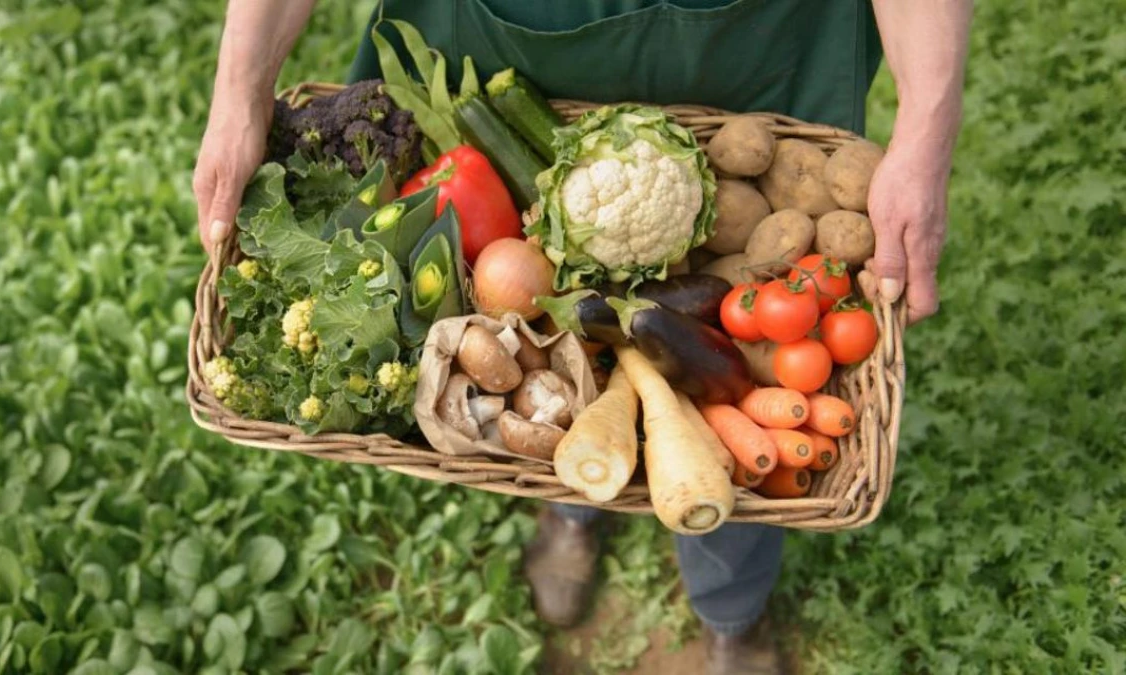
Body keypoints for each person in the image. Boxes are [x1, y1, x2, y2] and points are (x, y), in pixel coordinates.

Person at [194, 1, 972, 671]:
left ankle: (729, 605)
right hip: (509, 38)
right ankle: (572, 499)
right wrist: (238, 89)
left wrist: (930, 125)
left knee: (734, 401)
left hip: (746, 48)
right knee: (566, 358)